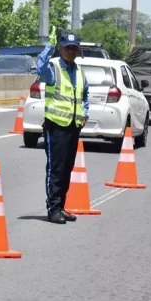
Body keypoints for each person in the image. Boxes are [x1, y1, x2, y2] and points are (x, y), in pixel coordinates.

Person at [36, 26, 90, 225]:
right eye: (67, 48)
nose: (71, 51)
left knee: (67, 168)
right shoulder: (54, 69)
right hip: (56, 127)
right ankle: (53, 209)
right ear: (61, 49)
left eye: (74, 48)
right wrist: (48, 46)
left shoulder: (80, 72)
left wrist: (85, 112)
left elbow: (84, 96)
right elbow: (39, 68)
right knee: (56, 169)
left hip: (73, 127)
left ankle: (61, 206)